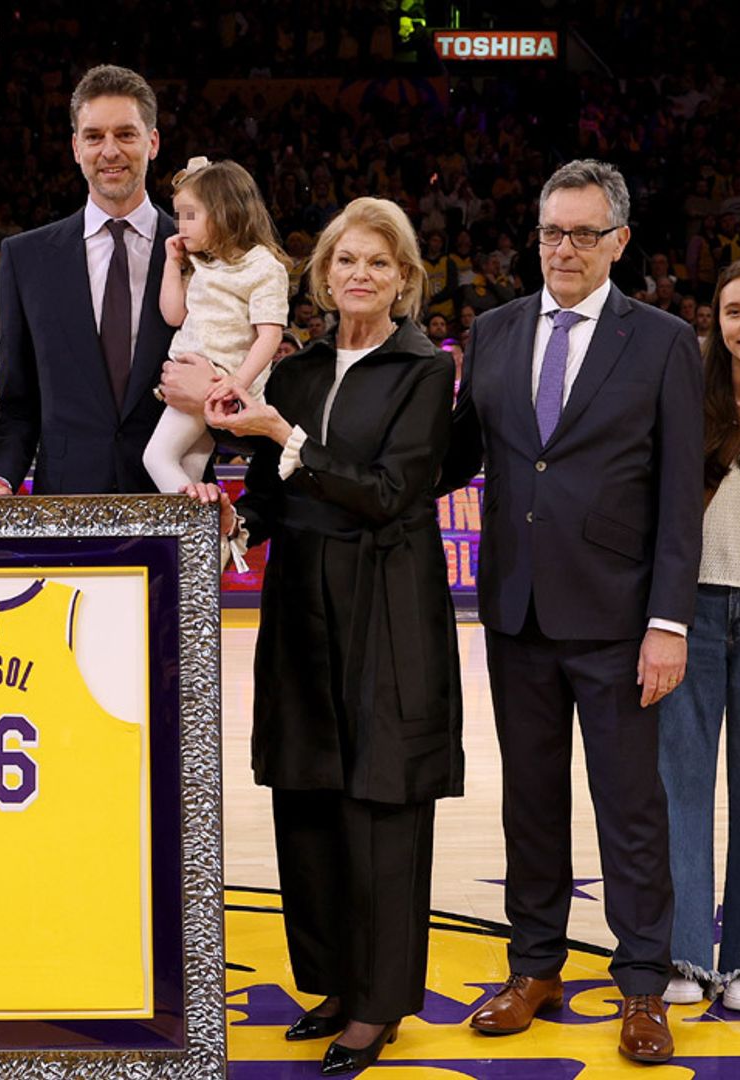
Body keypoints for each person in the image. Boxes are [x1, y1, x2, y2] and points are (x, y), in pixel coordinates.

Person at [198, 197, 462, 1077]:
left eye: (379, 263)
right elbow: (271, 500)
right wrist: (232, 518)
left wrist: (284, 439)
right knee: (307, 792)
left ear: (405, 278)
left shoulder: (425, 369)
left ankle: (378, 1005)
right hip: (302, 601)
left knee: (381, 800)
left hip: (385, 600)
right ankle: (336, 983)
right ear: (322, 275)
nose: (359, 274)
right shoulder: (303, 369)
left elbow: (392, 490)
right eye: (346, 259)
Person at [446, 159, 703, 1065]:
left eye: (583, 234)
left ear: (619, 242)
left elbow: (680, 497)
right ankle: (535, 965)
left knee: (632, 808)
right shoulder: (497, 329)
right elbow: (455, 456)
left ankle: (641, 985)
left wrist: (670, 620)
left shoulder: (667, 341)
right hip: (515, 612)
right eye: (552, 231)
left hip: (621, 619)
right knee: (531, 804)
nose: (564, 248)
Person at [0, 64, 175, 496]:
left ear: (153, 142)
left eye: (125, 134)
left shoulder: (201, 254)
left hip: (176, 505)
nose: (109, 150)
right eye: (94, 136)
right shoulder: (26, 259)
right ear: (75, 147)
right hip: (66, 506)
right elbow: (18, 406)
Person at [655, 256, 740, 1013]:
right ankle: (682, 951)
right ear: (716, 320)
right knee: (680, 783)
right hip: (693, 610)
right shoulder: (686, 398)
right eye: (735, 310)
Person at [142, 157, 287, 493]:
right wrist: (171, 264)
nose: (181, 225)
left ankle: (204, 531)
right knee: (189, 469)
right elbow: (173, 315)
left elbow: (270, 335)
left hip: (218, 380)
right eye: (178, 216)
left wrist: (235, 383)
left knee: (156, 458)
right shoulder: (203, 265)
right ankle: (203, 541)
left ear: (225, 211)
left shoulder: (264, 266)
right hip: (185, 379)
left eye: (190, 216)